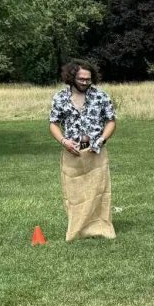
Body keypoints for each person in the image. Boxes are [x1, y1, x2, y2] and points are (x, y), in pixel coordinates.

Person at [49, 60, 116, 241]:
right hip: (72, 152)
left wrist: (101, 139)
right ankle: (77, 229)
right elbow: (53, 124)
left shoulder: (101, 97)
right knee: (75, 194)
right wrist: (64, 141)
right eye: (81, 79)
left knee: (99, 191)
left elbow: (111, 121)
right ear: (71, 77)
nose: (85, 82)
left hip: (96, 151)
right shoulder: (60, 98)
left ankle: (100, 227)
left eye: (88, 79)